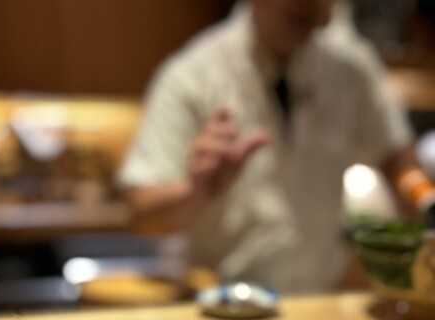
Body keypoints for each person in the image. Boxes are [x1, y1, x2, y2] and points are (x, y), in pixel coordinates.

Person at [117, 0, 433, 293]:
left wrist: (427, 203)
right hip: (218, 301)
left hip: (317, 299)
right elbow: (143, 216)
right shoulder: (191, 74)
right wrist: (194, 192)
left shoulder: (352, 68)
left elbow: (398, 161)